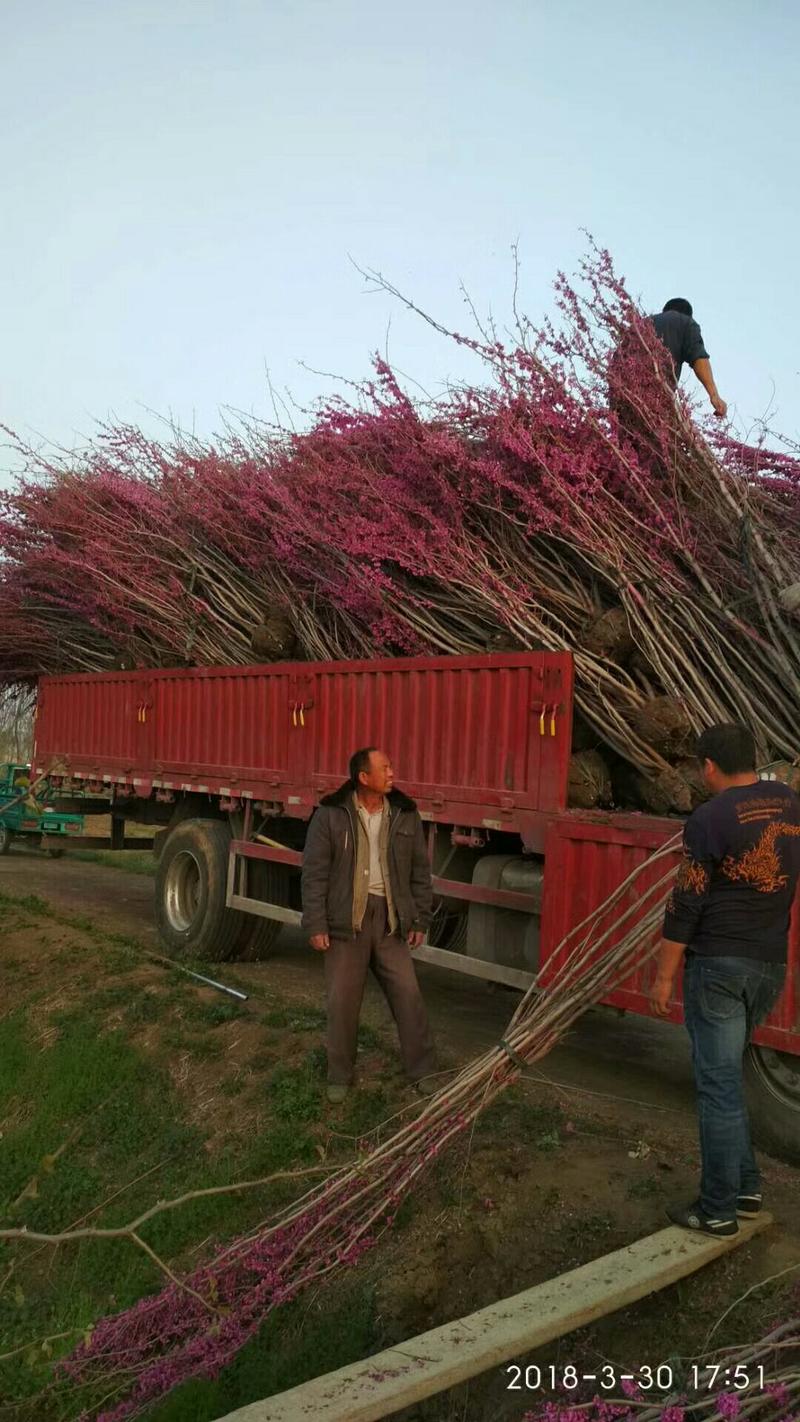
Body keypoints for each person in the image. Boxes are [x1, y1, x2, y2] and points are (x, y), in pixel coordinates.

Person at [649, 723, 800, 1236]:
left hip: (717, 967)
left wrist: (663, 978)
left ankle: (716, 1209)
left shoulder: (709, 818)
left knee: (716, 1090)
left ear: (708, 766)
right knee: (728, 1081)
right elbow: (786, 780)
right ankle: (747, 1188)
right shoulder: (787, 802)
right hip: (769, 966)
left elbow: (685, 903)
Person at [301, 746, 437, 1104]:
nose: (392, 773)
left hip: (390, 921)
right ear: (364, 777)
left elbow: (420, 872)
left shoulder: (405, 814)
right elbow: (314, 874)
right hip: (348, 923)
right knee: (342, 1002)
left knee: (408, 996)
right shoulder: (331, 815)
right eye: (385, 768)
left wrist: (419, 917)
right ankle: (339, 1077)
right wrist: (316, 923)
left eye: (391, 767)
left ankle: (423, 1072)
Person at [651, 298, 727, 418]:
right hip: (656, 397)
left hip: (623, 391)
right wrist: (714, 395)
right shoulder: (686, 322)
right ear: (689, 315)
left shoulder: (642, 322)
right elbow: (698, 358)